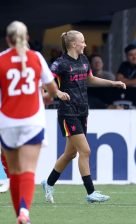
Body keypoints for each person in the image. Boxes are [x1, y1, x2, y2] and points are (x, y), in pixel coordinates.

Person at [41, 30, 126, 204]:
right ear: (73, 44)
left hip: (82, 111)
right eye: (83, 42)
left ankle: (48, 182)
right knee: (85, 150)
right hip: (67, 112)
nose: (85, 45)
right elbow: (45, 84)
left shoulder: (84, 60)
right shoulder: (60, 64)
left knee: (70, 154)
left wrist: (112, 83)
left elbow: (90, 79)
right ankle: (91, 192)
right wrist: (58, 92)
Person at [0, 21, 58, 224]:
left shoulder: (1, 60)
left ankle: (20, 218)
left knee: (14, 172)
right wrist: (46, 98)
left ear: (7, 38)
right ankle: (24, 213)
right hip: (32, 120)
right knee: (28, 171)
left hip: (7, 121)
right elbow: (52, 89)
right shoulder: (36, 58)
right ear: (27, 37)